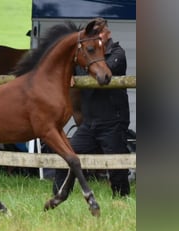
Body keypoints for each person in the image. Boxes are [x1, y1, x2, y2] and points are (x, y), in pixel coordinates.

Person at [52, 17, 131, 199]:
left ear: (107, 33)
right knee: (68, 156)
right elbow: (71, 64)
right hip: (89, 123)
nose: (94, 36)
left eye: (97, 33)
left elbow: (104, 72)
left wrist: (78, 71)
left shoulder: (117, 53)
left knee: (117, 165)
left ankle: (121, 199)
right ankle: (59, 195)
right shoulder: (87, 54)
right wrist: (69, 73)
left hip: (113, 121)